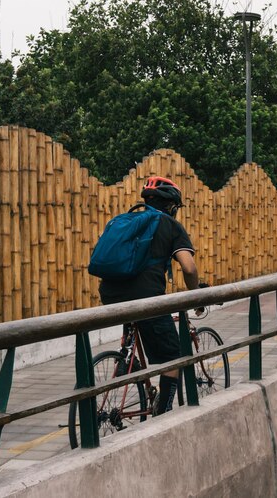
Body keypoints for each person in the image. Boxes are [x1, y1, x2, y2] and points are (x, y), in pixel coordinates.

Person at [99, 176, 201, 415]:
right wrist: (195, 293)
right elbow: (189, 268)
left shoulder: (125, 220)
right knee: (173, 356)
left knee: (138, 320)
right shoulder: (171, 226)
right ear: (172, 206)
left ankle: (128, 359)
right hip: (146, 299)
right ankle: (163, 412)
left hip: (109, 294)